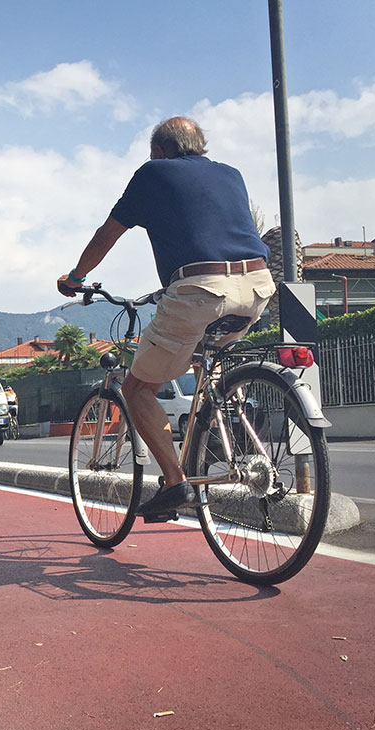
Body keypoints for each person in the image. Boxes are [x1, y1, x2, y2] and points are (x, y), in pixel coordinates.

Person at [56, 116, 275, 517]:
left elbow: (108, 233)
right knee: (200, 359)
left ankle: (176, 482)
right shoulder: (231, 174)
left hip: (200, 289)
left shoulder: (153, 173)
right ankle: (223, 432)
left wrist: (75, 277)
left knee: (139, 389)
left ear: (160, 150)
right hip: (259, 286)